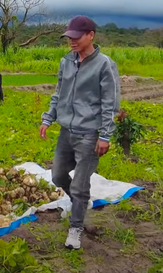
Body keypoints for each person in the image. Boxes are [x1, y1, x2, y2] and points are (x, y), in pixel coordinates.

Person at [40, 15, 120, 250]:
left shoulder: (105, 64)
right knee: (57, 176)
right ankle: (79, 204)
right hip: (66, 131)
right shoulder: (66, 62)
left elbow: (109, 103)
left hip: (89, 134)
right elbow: (58, 93)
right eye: (69, 37)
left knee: (80, 185)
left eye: (76, 37)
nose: (71, 42)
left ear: (90, 35)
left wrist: (105, 135)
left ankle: (75, 228)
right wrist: (48, 118)